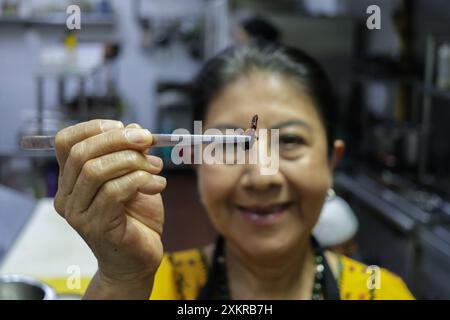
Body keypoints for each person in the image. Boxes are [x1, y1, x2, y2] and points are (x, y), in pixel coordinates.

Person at [53, 44, 413, 300]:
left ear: (331, 162)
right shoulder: (150, 287)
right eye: (227, 144)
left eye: (289, 140)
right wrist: (122, 280)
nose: (261, 177)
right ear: (197, 162)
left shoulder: (381, 294)